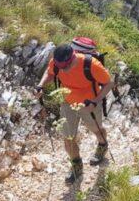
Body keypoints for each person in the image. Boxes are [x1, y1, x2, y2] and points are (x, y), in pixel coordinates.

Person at [35, 44, 115, 184]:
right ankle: (76, 164)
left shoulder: (91, 64)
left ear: (72, 59)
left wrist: (95, 102)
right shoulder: (56, 63)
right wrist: (41, 85)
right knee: (68, 137)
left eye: (65, 67)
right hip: (67, 103)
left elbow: (109, 83)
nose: (63, 70)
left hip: (89, 104)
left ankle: (102, 144)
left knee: (96, 129)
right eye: (60, 67)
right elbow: (50, 72)